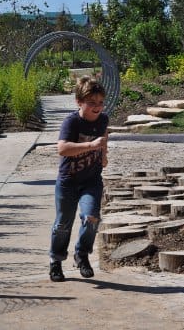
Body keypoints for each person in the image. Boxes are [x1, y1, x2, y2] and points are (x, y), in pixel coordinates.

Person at [49, 75, 109, 282]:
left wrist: (103, 154)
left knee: (91, 217)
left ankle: (81, 255)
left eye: (100, 102)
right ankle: (56, 261)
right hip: (68, 181)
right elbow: (62, 148)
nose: (97, 107)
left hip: (91, 180)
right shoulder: (71, 121)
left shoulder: (103, 119)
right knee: (63, 224)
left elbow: (104, 136)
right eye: (91, 103)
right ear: (79, 102)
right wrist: (91, 146)